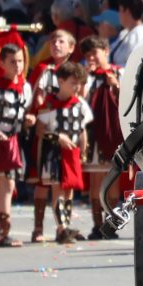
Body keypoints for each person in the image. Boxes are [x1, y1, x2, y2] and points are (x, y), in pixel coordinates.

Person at [0, 43, 34, 247]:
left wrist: (28, 120)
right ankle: (4, 231)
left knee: (4, 186)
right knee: (7, 184)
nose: (17, 66)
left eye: (20, 61)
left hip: (14, 141)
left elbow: (24, 113)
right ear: (1, 64)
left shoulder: (25, 88)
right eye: (12, 62)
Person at [26, 29, 77, 242]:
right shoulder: (42, 69)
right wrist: (31, 113)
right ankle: (38, 228)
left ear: (71, 47)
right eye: (53, 41)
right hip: (45, 130)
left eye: (61, 41)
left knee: (67, 181)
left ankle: (63, 227)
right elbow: (30, 97)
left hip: (69, 129)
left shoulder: (75, 71)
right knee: (42, 180)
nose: (56, 44)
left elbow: (81, 97)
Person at [36, 62, 93, 244]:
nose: (77, 87)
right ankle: (61, 228)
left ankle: (66, 226)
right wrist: (58, 137)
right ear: (61, 81)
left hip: (72, 152)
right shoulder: (49, 104)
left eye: (79, 84)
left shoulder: (80, 104)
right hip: (54, 153)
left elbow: (82, 130)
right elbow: (40, 130)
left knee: (69, 191)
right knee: (58, 190)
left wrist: (83, 150)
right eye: (73, 83)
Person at [80, 36, 122, 240]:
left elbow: (129, 98)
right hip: (93, 133)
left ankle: (110, 224)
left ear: (106, 51)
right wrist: (84, 80)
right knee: (96, 179)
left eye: (94, 53)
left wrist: (116, 85)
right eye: (87, 55)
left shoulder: (119, 72)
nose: (91, 58)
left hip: (113, 132)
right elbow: (79, 100)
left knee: (113, 178)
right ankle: (97, 225)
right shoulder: (85, 76)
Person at [111, 0, 143, 67]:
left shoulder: (141, 34)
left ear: (127, 11)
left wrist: (114, 68)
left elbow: (134, 64)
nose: (119, 14)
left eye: (120, 10)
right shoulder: (125, 33)